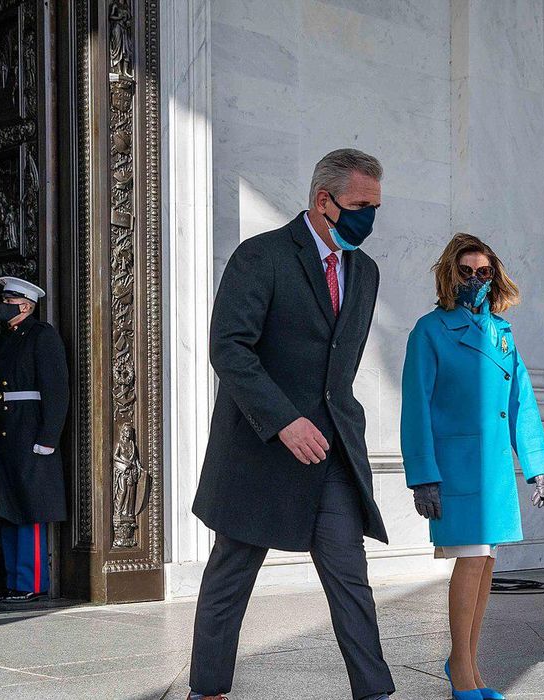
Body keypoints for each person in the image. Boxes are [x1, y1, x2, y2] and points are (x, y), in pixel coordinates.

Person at [188, 149, 393, 700]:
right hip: (260, 448)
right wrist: (284, 421)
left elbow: (337, 364)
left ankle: (374, 691)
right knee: (231, 577)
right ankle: (207, 690)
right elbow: (229, 348)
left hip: (331, 453)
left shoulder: (365, 272)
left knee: (350, 576)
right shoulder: (263, 257)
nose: (367, 220)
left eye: (375, 207)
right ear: (322, 200)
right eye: (358, 206)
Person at [400, 233, 544, 700]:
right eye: (466, 271)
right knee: (471, 560)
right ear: (451, 274)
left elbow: (522, 402)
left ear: (494, 275)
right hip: (455, 467)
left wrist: (537, 466)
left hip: (493, 471)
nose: (475, 280)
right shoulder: (430, 330)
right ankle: (461, 671)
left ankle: (469, 667)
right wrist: (423, 474)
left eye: (483, 272)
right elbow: (415, 407)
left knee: (485, 564)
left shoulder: (502, 333)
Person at [0, 276, 69, 603]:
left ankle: (31, 580)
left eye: (9, 301)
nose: (3, 306)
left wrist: (49, 436)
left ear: (25, 305)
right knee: (10, 507)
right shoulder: (6, 337)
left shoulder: (41, 335)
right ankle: (13, 580)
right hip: (6, 432)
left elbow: (56, 388)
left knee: (30, 508)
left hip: (29, 431)